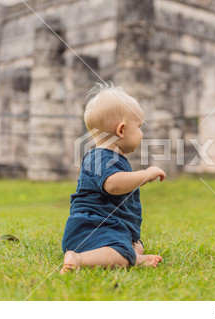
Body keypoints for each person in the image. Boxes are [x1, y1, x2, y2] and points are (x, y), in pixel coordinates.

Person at [61, 82, 165, 273]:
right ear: (122, 130)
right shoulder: (99, 157)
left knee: (136, 244)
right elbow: (113, 185)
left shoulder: (112, 158)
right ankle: (79, 258)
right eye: (139, 127)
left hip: (113, 227)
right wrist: (146, 175)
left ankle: (134, 255)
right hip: (91, 228)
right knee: (122, 255)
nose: (141, 134)